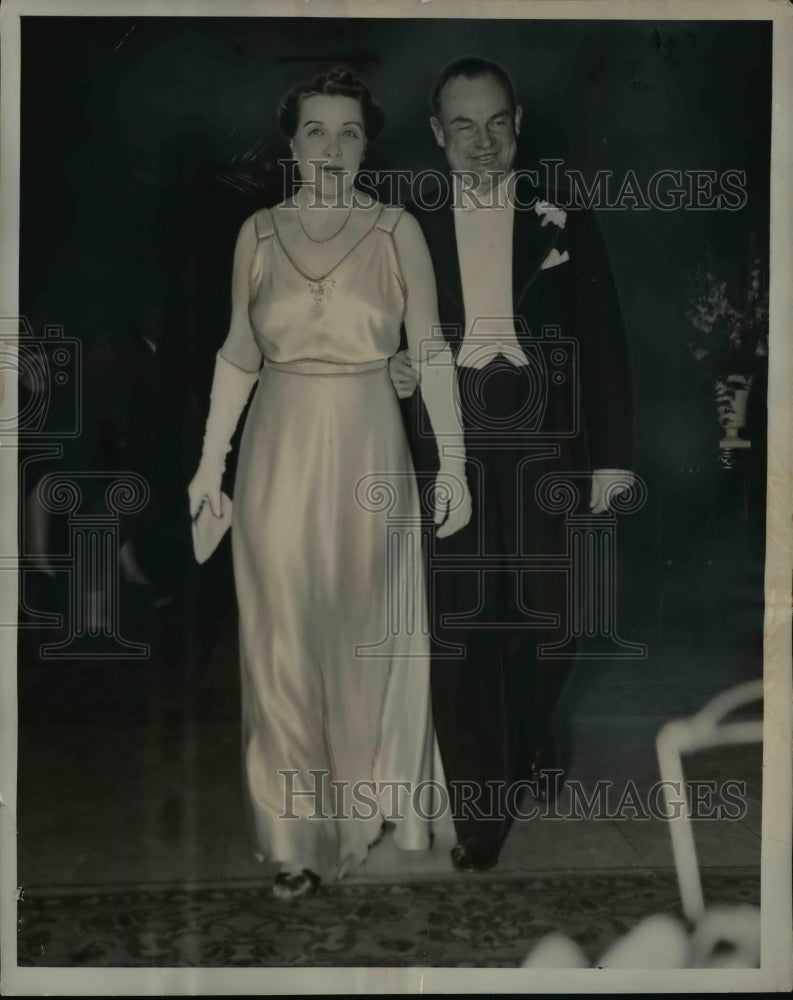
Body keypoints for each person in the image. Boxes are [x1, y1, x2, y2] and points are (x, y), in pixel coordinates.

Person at [187, 67, 472, 900]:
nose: (333, 146)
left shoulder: (395, 231)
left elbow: (428, 354)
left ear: (367, 142)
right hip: (276, 446)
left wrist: (450, 462)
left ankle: (367, 811)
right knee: (278, 638)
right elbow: (239, 352)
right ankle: (296, 842)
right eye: (316, 129)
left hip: (370, 449)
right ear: (289, 141)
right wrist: (211, 466)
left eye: (349, 131)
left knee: (358, 634)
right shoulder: (259, 234)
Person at [390, 57, 634, 872]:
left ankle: (530, 739)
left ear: (518, 121)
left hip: (545, 430)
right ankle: (479, 813)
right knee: (462, 620)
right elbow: (377, 326)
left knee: (545, 618)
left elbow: (603, 338)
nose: (482, 142)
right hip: (446, 431)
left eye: (496, 122)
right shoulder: (406, 219)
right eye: (463, 125)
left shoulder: (559, 210)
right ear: (437, 134)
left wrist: (610, 459)